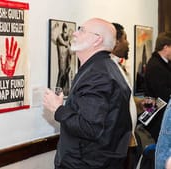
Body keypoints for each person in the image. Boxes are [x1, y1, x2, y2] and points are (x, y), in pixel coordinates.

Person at [43, 18, 132, 169]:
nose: (75, 34)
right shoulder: (104, 68)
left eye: (82, 30)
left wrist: (58, 109)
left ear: (97, 40)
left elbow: (89, 127)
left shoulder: (98, 75)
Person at [111, 22, 140, 169]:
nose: (128, 43)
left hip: (127, 141)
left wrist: (138, 104)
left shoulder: (118, 66)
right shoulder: (108, 69)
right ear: (115, 42)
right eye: (125, 38)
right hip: (118, 144)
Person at [144, 31, 171, 142]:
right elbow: (163, 94)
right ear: (166, 47)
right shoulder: (155, 66)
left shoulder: (164, 63)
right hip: (159, 119)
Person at [55, 22, 73, 95]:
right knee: (61, 73)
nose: (66, 33)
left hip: (67, 59)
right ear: (63, 30)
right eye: (64, 31)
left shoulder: (67, 38)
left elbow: (71, 51)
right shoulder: (59, 37)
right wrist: (69, 37)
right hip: (62, 59)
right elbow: (64, 43)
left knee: (66, 73)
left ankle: (65, 92)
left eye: (66, 32)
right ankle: (58, 92)